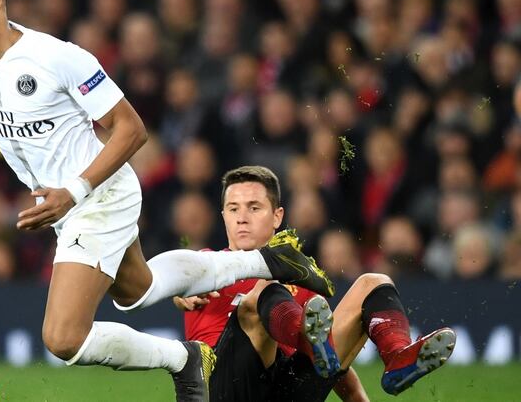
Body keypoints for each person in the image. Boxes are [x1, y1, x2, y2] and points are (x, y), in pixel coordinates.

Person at [0, 0, 334, 401]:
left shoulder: (56, 58)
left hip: (97, 195)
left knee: (63, 337)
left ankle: (185, 359)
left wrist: (73, 193)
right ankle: (267, 261)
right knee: (139, 291)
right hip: (64, 205)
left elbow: (131, 129)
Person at [175, 165, 456, 401]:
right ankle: (308, 341)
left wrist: (358, 398)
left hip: (284, 392)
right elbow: (169, 277)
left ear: (277, 216)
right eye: (233, 209)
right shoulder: (205, 264)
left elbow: (331, 362)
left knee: (373, 282)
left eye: (254, 208)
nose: (242, 218)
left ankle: (397, 357)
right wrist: (180, 293)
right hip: (220, 392)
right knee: (265, 291)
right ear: (223, 216)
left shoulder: (300, 281)